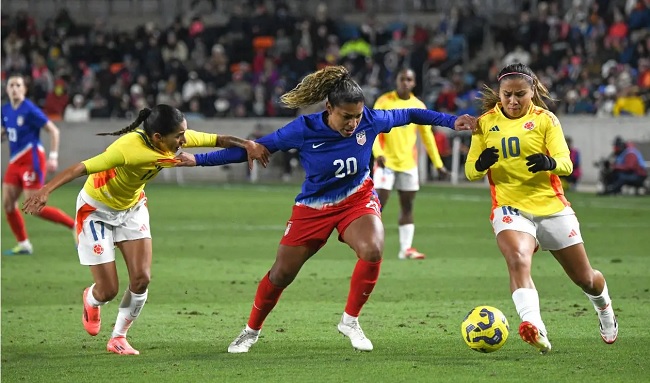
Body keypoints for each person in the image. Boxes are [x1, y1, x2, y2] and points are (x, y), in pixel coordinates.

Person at [175, 65, 476, 353]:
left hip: (356, 199)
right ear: (329, 109)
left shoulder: (370, 120)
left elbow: (411, 113)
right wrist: (198, 160)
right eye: (347, 116)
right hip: (313, 207)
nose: (353, 123)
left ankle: (350, 321)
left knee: (373, 249)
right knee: (281, 274)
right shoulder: (303, 129)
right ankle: (251, 330)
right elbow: (254, 149)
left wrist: (451, 121)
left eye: (357, 116)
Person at [21, 104, 270, 355]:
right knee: (109, 290)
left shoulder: (174, 138)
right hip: (96, 211)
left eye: (184, 133)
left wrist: (246, 143)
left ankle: (118, 337)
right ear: (158, 138)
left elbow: (218, 139)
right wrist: (45, 190)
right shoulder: (127, 149)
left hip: (132, 208)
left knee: (141, 279)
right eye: (179, 136)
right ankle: (92, 299)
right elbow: (82, 167)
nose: (184, 140)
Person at [464, 63, 618, 354]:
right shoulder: (484, 123)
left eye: (519, 94)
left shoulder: (547, 120)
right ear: (499, 93)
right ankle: (534, 326)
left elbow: (567, 163)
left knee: (586, 278)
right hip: (509, 206)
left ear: (532, 91)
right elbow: (471, 170)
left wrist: (550, 164)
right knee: (518, 259)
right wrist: (481, 163)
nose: (512, 101)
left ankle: (604, 307)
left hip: (552, 207)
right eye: (506, 95)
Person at [372, 68, 449, 260]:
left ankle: (405, 249)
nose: (405, 82)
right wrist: (378, 153)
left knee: (407, 206)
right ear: (397, 80)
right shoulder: (384, 101)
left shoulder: (418, 106)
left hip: (408, 164)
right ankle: (370, 246)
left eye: (409, 79)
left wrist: (438, 164)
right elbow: (371, 129)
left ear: (414, 83)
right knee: (376, 206)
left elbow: (427, 136)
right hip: (386, 163)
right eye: (402, 79)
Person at [1, 73, 75, 255]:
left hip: (32, 160)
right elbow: (6, 130)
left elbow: (54, 131)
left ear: (24, 89)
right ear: (6, 89)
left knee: (33, 207)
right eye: (11, 85)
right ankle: (24, 244)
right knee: (8, 204)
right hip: (15, 162)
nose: (14, 88)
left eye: (18, 85)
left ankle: (74, 225)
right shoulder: (5, 110)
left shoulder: (30, 109)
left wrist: (53, 156)